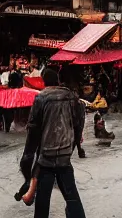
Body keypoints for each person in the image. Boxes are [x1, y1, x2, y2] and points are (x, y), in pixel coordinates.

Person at [20, 67, 87, 218]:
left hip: (46, 160)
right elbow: (78, 126)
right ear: (57, 80)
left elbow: (33, 133)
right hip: (64, 157)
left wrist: (27, 163)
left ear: (43, 81)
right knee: (73, 199)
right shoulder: (72, 97)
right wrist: (76, 147)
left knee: (42, 205)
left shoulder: (41, 98)